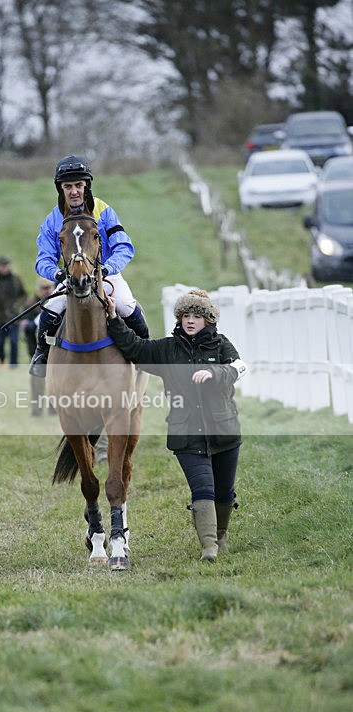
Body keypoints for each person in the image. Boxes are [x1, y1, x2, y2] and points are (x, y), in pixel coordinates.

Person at [106, 288, 247, 562]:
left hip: (224, 430)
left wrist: (214, 372)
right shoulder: (167, 349)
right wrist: (113, 319)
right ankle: (209, 547)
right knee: (203, 489)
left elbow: (238, 367)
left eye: (196, 315)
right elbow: (135, 348)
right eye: (185, 315)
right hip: (186, 433)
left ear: (208, 320)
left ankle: (220, 535)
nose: (190, 320)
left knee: (224, 491)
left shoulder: (220, 344)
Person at [29, 155, 149, 377]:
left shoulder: (104, 211)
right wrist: (56, 273)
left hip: (106, 274)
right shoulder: (53, 220)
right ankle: (42, 354)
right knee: (49, 311)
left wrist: (107, 269)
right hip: (71, 276)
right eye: (68, 186)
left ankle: (146, 352)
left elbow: (124, 247)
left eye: (78, 185)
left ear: (86, 186)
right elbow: (43, 258)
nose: (74, 191)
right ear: (61, 189)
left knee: (126, 305)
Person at [0, 256, 27, 368]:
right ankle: (1, 360)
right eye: (2, 266)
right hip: (0, 318)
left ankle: (14, 365)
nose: (4, 268)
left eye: (6, 265)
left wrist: (17, 305)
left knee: (13, 342)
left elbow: (23, 295)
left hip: (14, 317)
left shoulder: (16, 280)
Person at [22, 276, 56, 415]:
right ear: (38, 290)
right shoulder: (30, 305)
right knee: (37, 381)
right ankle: (37, 410)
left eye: (49, 288)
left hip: (55, 350)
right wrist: (29, 325)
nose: (47, 291)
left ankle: (54, 409)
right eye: (44, 288)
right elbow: (24, 324)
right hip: (36, 348)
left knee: (54, 382)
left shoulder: (58, 302)